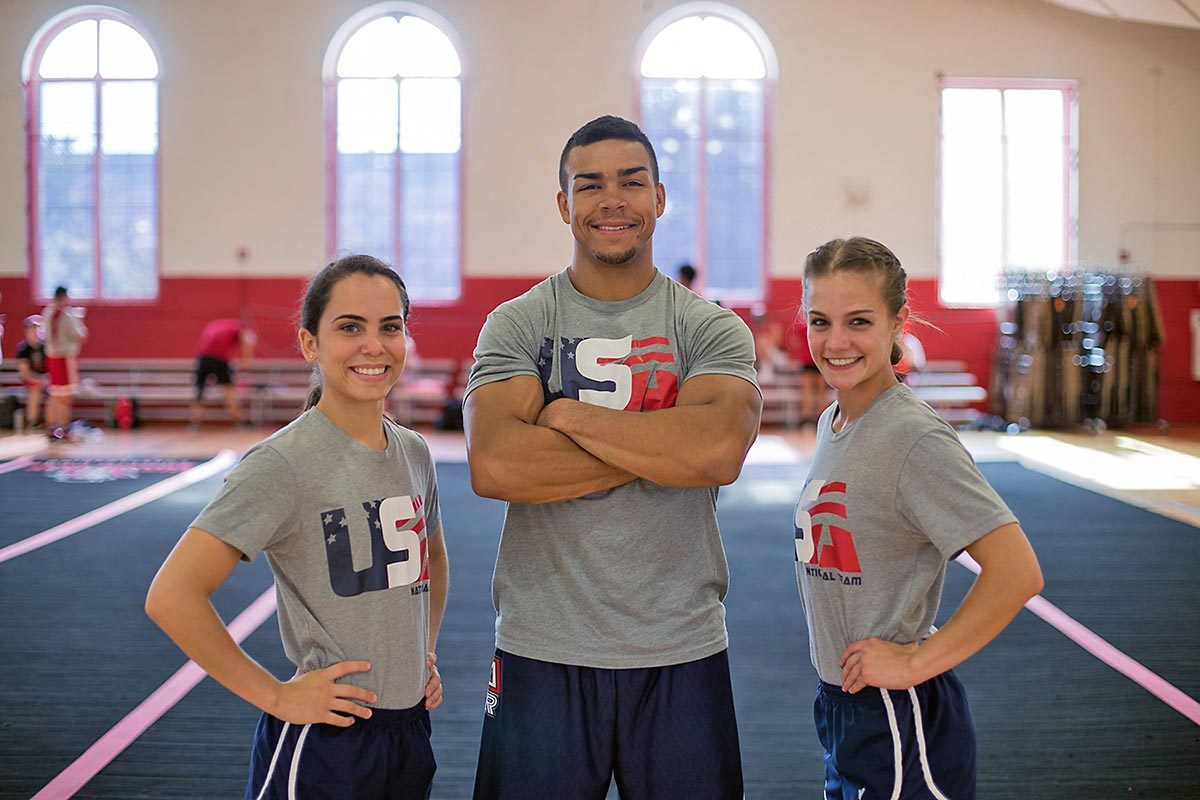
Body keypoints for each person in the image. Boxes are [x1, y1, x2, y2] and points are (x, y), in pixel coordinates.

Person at [464, 115, 762, 800]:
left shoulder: (709, 328)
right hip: (542, 645)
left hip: (681, 647)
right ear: (565, 205)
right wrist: (667, 443)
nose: (612, 201)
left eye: (631, 182)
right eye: (590, 185)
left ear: (659, 197)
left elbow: (719, 450)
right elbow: (497, 466)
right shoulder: (519, 323)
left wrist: (564, 415)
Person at [146, 255, 449, 800]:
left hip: (408, 731)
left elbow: (435, 561)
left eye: (390, 327)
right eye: (349, 327)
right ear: (310, 344)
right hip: (325, 745)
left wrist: (422, 653)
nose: (373, 346)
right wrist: (277, 697)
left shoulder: (413, 450)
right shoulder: (283, 464)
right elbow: (172, 596)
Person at [793, 237, 1043, 799]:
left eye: (858, 321)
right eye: (819, 321)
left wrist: (915, 664)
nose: (836, 342)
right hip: (845, 707)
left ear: (898, 322)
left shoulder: (913, 438)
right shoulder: (835, 419)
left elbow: (1017, 571)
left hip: (899, 716)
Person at [191, 317, 257, 428]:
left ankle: (194, 423)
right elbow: (248, 343)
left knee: (199, 391)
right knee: (228, 390)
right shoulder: (240, 329)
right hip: (219, 360)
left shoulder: (216, 324)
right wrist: (246, 362)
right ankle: (240, 422)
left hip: (202, 358)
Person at [43, 285, 87, 441]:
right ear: (63, 297)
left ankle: (51, 427)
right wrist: (80, 321)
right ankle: (64, 427)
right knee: (65, 395)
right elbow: (79, 335)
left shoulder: (47, 312)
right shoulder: (67, 316)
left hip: (51, 357)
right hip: (64, 358)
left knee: (54, 393)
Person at [17, 315, 48, 429]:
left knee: (58, 392)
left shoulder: (47, 346)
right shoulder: (23, 349)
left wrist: (47, 379)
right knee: (35, 390)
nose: (35, 332)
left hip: (47, 380)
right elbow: (25, 373)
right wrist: (39, 380)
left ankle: (55, 424)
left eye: (37, 329)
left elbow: (52, 369)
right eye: (32, 329)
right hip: (32, 381)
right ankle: (32, 423)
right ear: (26, 331)